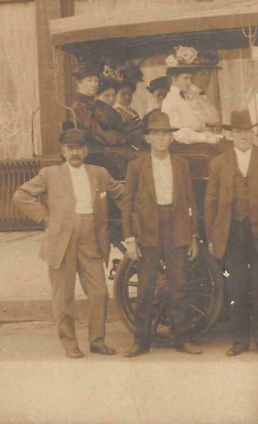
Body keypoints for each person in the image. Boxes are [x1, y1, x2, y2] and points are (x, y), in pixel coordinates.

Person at [13, 124, 123, 358]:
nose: (75, 153)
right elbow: (21, 195)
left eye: (80, 148)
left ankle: (97, 341)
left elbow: (121, 193)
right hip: (62, 240)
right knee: (64, 295)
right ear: (62, 151)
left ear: (86, 151)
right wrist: (44, 218)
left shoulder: (99, 173)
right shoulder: (50, 174)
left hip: (91, 238)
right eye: (70, 148)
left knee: (99, 293)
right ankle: (69, 342)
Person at [204, 109, 258, 357]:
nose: (243, 136)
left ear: (253, 132)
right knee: (236, 289)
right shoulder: (219, 163)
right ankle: (239, 341)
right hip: (232, 234)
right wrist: (212, 237)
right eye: (238, 131)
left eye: (247, 131)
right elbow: (210, 202)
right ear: (231, 134)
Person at [121, 110, 204, 357]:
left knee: (180, 286)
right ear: (147, 139)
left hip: (176, 227)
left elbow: (191, 201)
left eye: (164, 134)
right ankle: (140, 342)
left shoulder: (181, 165)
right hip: (147, 230)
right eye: (155, 134)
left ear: (171, 139)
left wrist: (193, 237)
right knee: (146, 288)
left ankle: (183, 340)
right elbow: (128, 204)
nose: (160, 139)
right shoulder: (136, 167)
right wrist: (130, 239)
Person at [160, 46, 222, 144]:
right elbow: (176, 133)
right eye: (185, 78)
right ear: (174, 78)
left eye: (190, 78)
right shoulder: (169, 101)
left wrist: (212, 136)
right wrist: (204, 138)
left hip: (200, 144)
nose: (189, 82)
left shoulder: (188, 97)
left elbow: (202, 124)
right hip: (187, 149)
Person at [71, 59, 126, 151]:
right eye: (89, 81)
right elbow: (97, 134)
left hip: (109, 146)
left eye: (96, 81)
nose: (94, 84)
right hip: (96, 150)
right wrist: (123, 139)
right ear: (79, 83)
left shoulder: (96, 104)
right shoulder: (80, 106)